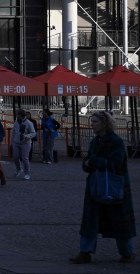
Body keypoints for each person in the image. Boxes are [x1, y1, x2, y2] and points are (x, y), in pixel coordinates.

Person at [71, 111, 136, 264]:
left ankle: (128, 252)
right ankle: (84, 252)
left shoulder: (115, 142)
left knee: (120, 222)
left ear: (105, 124)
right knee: (90, 221)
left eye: (95, 122)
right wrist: (89, 163)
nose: (91, 124)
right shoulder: (95, 141)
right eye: (91, 121)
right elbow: (87, 163)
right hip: (95, 186)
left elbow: (115, 163)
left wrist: (93, 162)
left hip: (113, 186)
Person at [12, 109, 36, 180]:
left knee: (25, 158)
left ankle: (27, 173)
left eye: (17, 114)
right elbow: (13, 131)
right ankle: (19, 169)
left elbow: (33, 133)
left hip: (25, 143)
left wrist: (27, 136)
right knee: (15, 157)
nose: (16, 115)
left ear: (20, 115)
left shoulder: (29, 123)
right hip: (16, 142)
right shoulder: (16, 122)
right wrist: (11, 142)